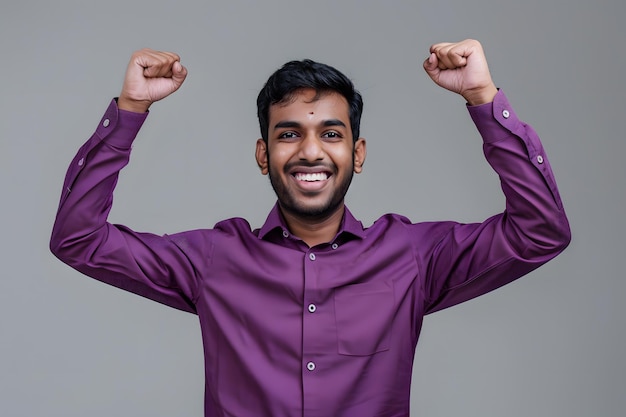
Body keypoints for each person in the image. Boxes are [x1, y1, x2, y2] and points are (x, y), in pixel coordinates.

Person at [50, 39, 571, 417]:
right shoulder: (213, 260)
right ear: (264, 154)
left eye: (331, 133)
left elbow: (539, 232)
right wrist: (130, 110)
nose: (311, 151)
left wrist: (482, 96)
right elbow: (79, 240)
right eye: (288, 134)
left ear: (357, 153)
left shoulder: (412, 257)